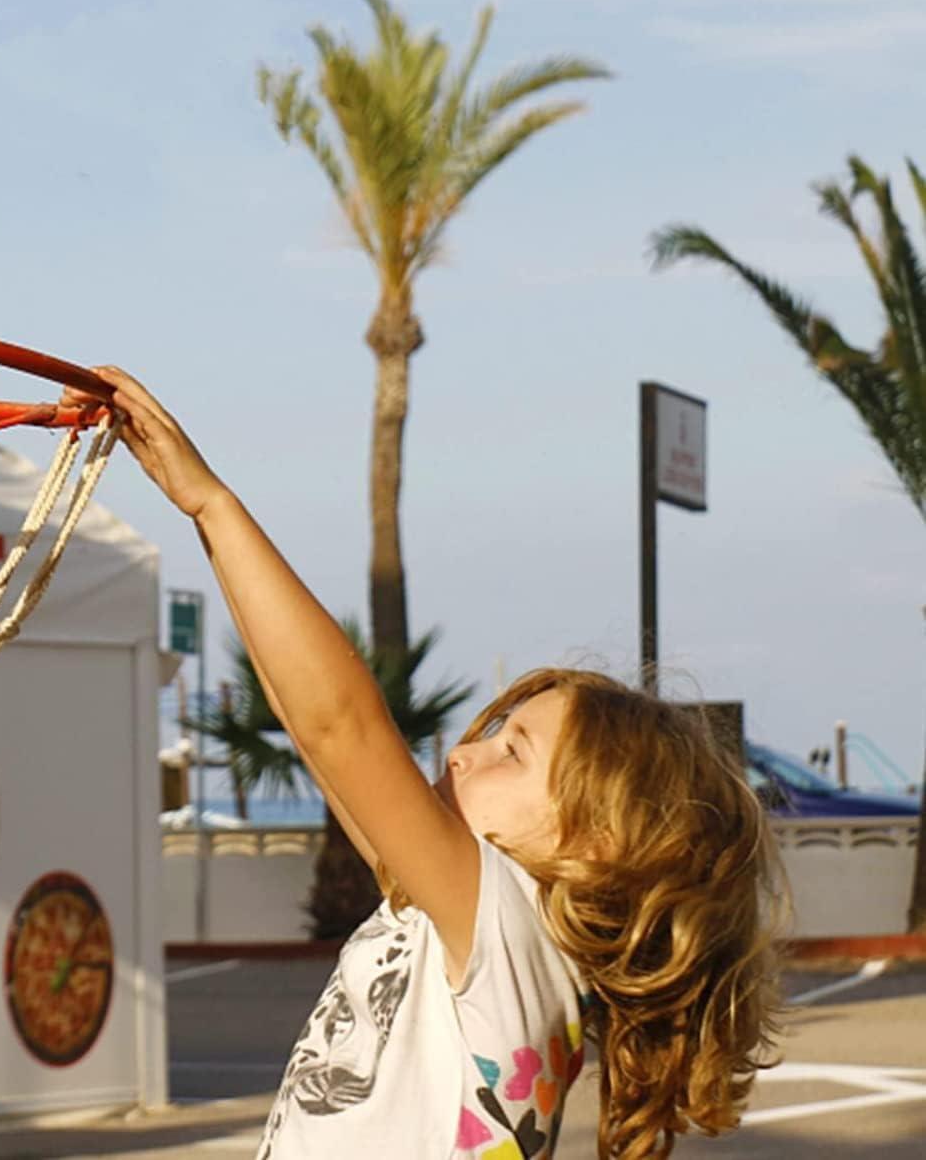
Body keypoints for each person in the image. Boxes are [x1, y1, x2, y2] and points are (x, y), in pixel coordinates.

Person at [63, 368, 783, 1160]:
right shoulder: (461, 928)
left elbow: (343, 727)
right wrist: (201, 520)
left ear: (597, 844)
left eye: (514, 752)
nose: (466, 751)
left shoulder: (511, 927)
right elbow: (316, 737)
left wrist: (215, 503)